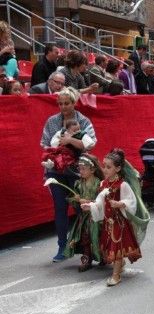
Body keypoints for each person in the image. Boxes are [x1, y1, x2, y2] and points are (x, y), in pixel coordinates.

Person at [40, 87, 97, 262]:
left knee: (82, 208)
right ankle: (62, 246)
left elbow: (91, 144)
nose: (63, 107)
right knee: (60, 208)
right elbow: (44, 143)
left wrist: (70, 140)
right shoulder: (52, 121)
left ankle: (88, 245)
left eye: (67, 103)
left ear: (74, 103)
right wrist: (56, 148)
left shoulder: (83, 120)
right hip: (56, 171)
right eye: (60, 103)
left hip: (79, 172)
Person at [81, 149, 150, 286]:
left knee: (116, 247)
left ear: (118, 168)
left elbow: (131, 202)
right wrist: (91, 206)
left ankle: (116, 275)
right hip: (108, 223)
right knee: (110, 248)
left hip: (119, 223)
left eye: (108, 167)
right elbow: (100, 203)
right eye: (104, 166)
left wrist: (120, 204)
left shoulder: (123, 185)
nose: (105, 169)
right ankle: (120, 264)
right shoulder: (103, 184)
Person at [63, 154, 104, 272]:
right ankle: (87, 259)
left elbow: (102, 200)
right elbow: (72, 199)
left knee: (98, 236)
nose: (80, 171)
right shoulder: (78, 184)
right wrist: (76, 199)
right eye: (79, 169)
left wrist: (90, 202)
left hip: (96, 217)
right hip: (84, 217)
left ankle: (102, 256)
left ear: (93, 169)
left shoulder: (99, 183)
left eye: (83, 168)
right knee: (85, 237)